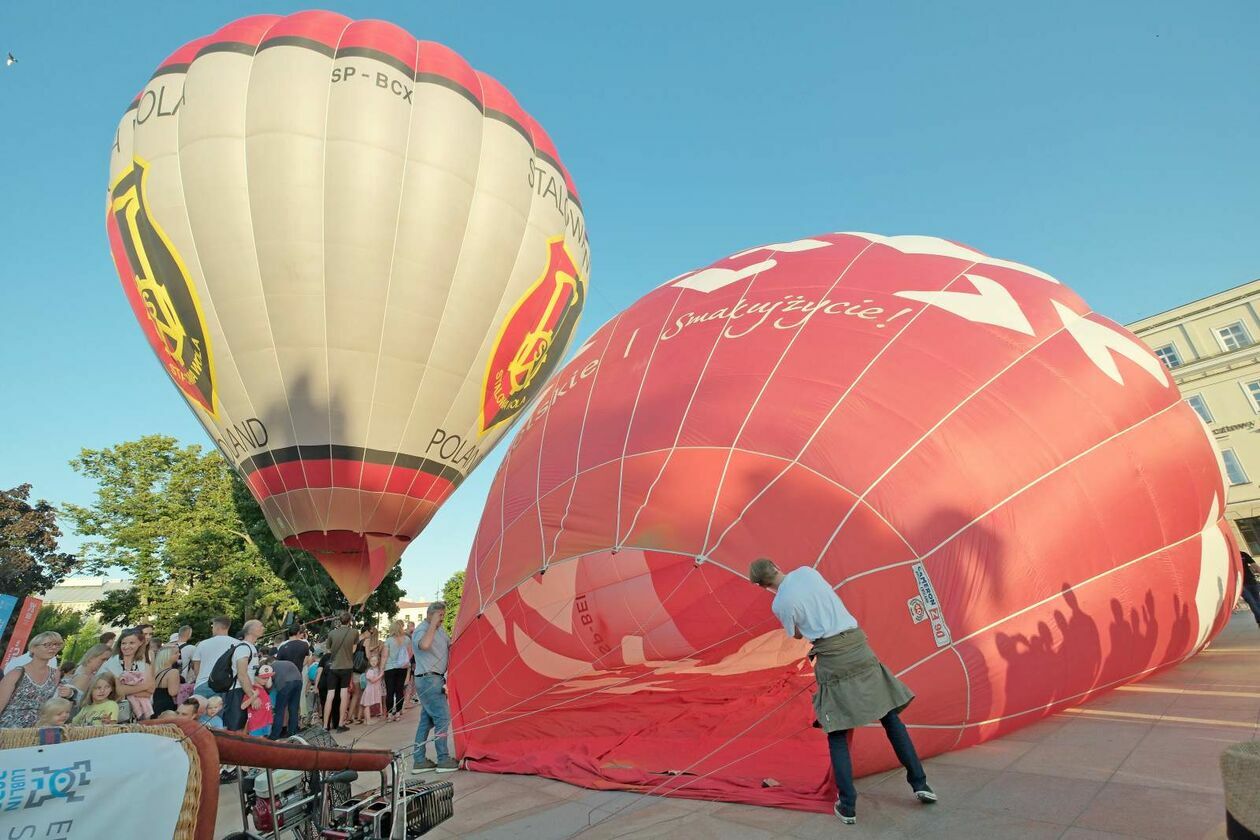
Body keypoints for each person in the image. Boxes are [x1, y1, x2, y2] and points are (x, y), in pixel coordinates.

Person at [749, 559, 936, 825]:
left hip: (832, 657)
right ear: (776, 565)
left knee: (836, 733)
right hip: (859, 647)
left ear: (761, 586)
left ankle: (848, 806)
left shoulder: (779, 604)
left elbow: (797, 635)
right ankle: (921, 784)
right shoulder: (807, 572)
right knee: (891, 718)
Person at [411, 602, 456, 773]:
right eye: (439, 616)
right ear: (430, 615)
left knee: (426, 721)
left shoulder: (440, 630)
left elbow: (448, 645)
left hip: (435, 679)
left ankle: (419, 760)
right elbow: (424, 645)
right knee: (443, 718)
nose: (442, 619)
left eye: (443, 616)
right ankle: (443, 759)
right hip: (428, 679)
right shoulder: (422, 630)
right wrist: (432, 624)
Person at [0, 632, 74, 729]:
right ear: (33, 648)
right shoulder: (16, 674)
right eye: (47, 645)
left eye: (56, 645)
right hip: (10, 730)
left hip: (39, 730)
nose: (53, 648)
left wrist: (70, 693)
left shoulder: (55, 674)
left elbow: (58, 702)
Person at [101, 628, 154, 723]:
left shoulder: (143, 663)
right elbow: (119, 691)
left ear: (140, 643)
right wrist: (144, 687)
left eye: (131, 643)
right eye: (123, 643)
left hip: (138, 717)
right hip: (114, 714)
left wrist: (126, 690)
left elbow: (150, 690)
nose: (126, 647)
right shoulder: (113, 662)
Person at [222, 620, 264, 733]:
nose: (263, 628)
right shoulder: (243, 648)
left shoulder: (251, 647)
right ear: (251, 630)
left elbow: (249, 673)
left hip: (245, 691)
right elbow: (242, 674)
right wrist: (252, 696)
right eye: (260, 626)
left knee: (245, 728)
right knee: (236, 729)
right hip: (237, 692)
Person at [323, 613, 357, 733]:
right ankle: (341, 724)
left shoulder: (332, 633)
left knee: (330, 695)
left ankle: (325, 725)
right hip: (347, 666)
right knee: (344, 695)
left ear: (339, 621)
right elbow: (354, 649)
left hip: (333, 667)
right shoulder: (354, 632)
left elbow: (328, 649)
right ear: (349, 621)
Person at [190, 617, 238, 699]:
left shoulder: (203, 644)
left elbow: (196, 667)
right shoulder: (237, 644)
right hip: (226, 685)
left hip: (203, 683)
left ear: (216, 627)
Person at [383, 620, 412, 722]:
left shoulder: (389, 640)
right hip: (402, 667)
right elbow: (410, 653)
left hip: (390, 668)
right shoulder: (407, 639)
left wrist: (382, 668)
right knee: (399, 690)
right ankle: (398, 713)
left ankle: (390, 714)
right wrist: (405, 662)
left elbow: (385, 656)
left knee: (390, 691)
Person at [268, 655, 302, 739]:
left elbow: (269, 684)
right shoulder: (287, 662)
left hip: (285, 684)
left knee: (280, 710)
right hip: (298, 682)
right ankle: (292, 734)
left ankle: (274, 735)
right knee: (293, 709)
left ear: (269, 662)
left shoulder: (271, 666)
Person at [151, 644, 183, 717]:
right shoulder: (173, 672)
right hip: (168, 706)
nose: (179, 654)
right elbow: (173, 692)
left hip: (155, 704)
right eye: (176, 653)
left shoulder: (156, 671)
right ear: (167, 656)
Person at [247, 664, 275, 737]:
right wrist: (253, 697)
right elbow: (243, 706)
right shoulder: (253, 690)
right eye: (263, 678)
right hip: (257, 724)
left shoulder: (263, 689)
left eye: (268, 678)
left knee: (264, 741)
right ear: (256, 677)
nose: (266, 680)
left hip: (266, 721)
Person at [1239, 551, 1260, 628]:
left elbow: (1254, 566)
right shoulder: (1229, 557)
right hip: (1241, 584)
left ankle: (1259, 621)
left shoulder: (1243, 554)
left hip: (1252, 582)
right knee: (1252, 602)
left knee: (1257, 602)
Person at [362, 651, 383, 723]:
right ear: (369, 662)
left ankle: (366, 720)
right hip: (370, 690)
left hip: (375, 689)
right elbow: (373, 680)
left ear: (378, 661)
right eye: (372, 661)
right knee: (367, 704)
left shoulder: (377, 669)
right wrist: (381, 675)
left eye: (375, 660)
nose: (374, 662)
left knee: (369, 704)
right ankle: (368, 720)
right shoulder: (370, 671)